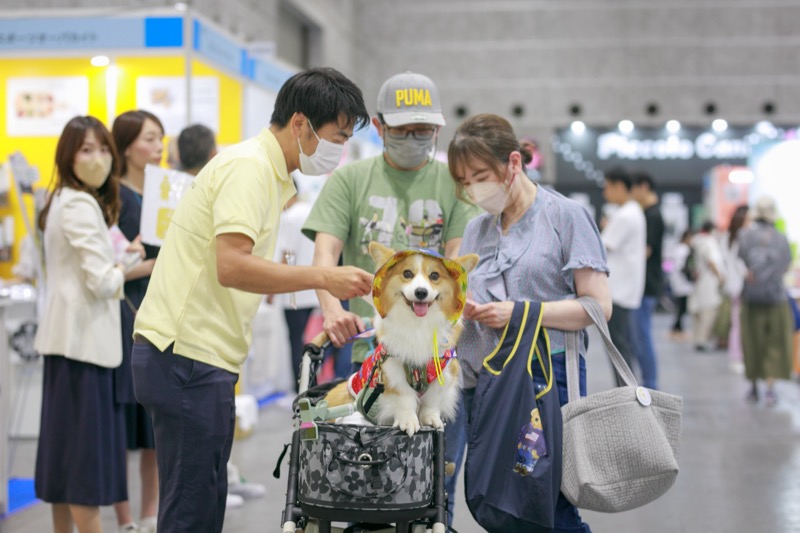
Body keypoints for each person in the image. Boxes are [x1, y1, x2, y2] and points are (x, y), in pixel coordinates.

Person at [131, 67, 373, 533]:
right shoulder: (250, 169)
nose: (339, 150)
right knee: (190, 511)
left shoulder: (267, 174)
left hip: (202, 358)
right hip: (185, 356)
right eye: (336, 137)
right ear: (300, 124)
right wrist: (324, 276)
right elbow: (232, 265)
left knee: (203, 502)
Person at [302, 71, 479, 522]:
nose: (415, 139)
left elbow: (457, 267)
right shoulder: (350, 180)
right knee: (365, 470)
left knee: (436, 472)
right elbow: (325, 252)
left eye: (424, 131)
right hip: (369, 348)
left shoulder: (453, 185)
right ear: (379, 127)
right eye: (403, 131)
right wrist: (330, 309)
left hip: (437, 352)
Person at [449, 113, 611, 532]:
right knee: (500, 502)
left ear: (514, 163)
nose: (472, 189)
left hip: (542, 383)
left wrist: (521, 312)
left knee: (544, 500)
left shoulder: (564, 216)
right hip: (483, 384)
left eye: (480, 176)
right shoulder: (476, 231)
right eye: (464, 181)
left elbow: (598, 306)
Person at [34, 116, 141, 533]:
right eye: (86, 150)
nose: (96, 158)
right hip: (86, 348)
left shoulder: (63, 198)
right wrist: (127, 264)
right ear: (68, 155)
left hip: (68, 345)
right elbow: (101, 282)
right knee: (84, 468)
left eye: (101, 149)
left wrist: (118, 262)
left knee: (65, 465)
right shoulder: (80, 204)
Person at [176, 123, 267, 507]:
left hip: (220, 325)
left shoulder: (207, 182)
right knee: (197, 438)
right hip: (195, 330)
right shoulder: (215, 183)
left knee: (218, 422)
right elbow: (230, 264)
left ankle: (226, 477)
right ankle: (218, 481)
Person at [111, 109, 165, 533]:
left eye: (161, 139)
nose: (157, 147)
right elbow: (112, 263)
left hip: (162, 315)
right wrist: (151, 265)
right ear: (127, 144)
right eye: (149, 138)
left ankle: (151, 514)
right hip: (123, 316)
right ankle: (125, 518)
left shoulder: (167, 193)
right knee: (120, 423)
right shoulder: (113, 195)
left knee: (154, 426)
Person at [738, 197, 793, 405]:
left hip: (751, 298)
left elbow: (741, 261)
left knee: (752, 341)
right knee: (775, 342)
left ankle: (753, 386)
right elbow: (785, 265)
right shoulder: (781, 238)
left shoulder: (745, 236)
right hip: (775, 298)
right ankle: (770, 389)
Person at [601, 167, 646, 385]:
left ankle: (627, 396)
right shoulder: (632, 211)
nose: (605, 192)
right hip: (624, 291)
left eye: (607, 187)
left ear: (619, 186)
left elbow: (602, 245)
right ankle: (628, 394)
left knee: (619, 349)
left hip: (618, 293)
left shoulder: (626, 214)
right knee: (622, 346)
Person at [631, 171, 664, 389]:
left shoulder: (652, 215)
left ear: (643, 187)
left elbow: (646, 250)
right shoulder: (647, 213)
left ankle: (651, 385)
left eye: (634, 189)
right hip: (641, 285)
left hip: (646, 285)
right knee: (638, 338)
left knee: (642, 337)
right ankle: (647, 383)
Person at [719, 205, 750, 372]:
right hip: (740, 286)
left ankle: (737, 355)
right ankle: (737, 356)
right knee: (739, 324)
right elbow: (739, 264)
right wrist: (748, 274)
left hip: (732, 285)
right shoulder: (741, 238)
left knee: (736, 323)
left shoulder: (726, 237)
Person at [688, 221, 725, 352]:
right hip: (708, 280)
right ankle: (702, 339)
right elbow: (711, 261)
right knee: (708, 312)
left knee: (698, 311)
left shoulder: (696, 240)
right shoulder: (708, 242)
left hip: (698, 279)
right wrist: (720, 276)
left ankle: (698, 338)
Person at [668, 229, 694, 341]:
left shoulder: (676, 248)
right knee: (681, 307)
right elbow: (682, 266)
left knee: (680, 307)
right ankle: (676, 328)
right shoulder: (684, 250)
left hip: (677, 281)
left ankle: (678, 328)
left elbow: (670, 264)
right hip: (683, 282)